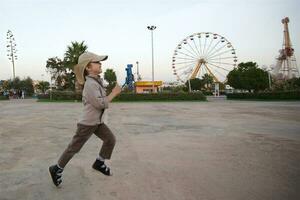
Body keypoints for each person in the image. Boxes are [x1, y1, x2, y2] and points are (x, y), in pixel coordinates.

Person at [49, 52, 121, 187]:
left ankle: (99, 162)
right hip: (87, 124)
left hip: (97, 122)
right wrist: (114, 93)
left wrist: (113, 92)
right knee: (73, 148)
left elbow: (101, 101)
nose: (100, 64)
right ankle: (57, 168)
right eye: (97, 62)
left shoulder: (96, 82)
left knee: (110, 139)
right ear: (88, 67)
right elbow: (100, 103)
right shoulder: (90, 85)